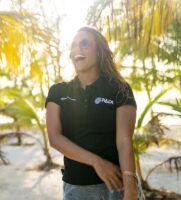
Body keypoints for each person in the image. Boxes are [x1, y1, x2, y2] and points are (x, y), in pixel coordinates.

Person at [45, 26, 138, 200]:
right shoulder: (58, 92)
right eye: (73, 45)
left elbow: (124, 141)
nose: (77, 49)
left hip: (116, 188)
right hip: (76, 188)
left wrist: (131, 188)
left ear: (99, 51)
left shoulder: (119, 89)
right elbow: (55, 138)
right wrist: (97, 162)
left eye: (84, 44)